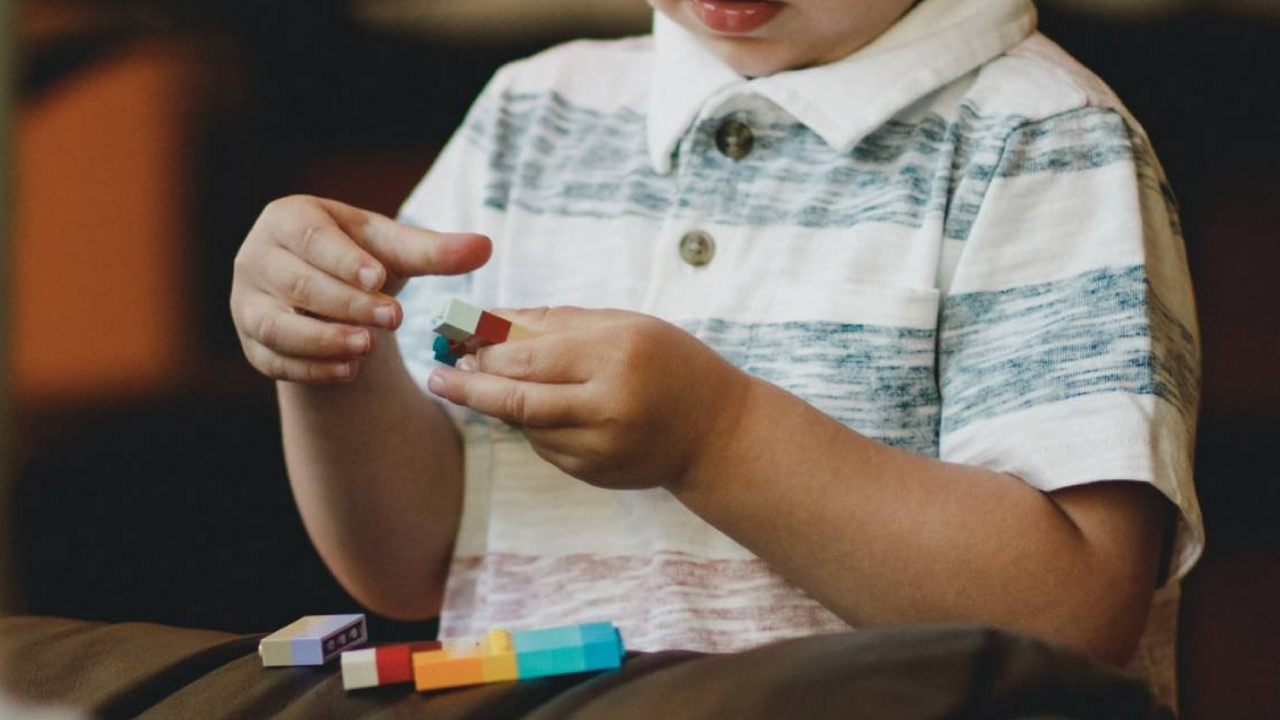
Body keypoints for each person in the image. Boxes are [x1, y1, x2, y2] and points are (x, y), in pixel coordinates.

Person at [229, 0, 1202, 708]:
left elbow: (1072, 612)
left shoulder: (1042, 139)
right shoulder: (531, 114)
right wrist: (334, 355)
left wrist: (717, 437)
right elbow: (410, 566)